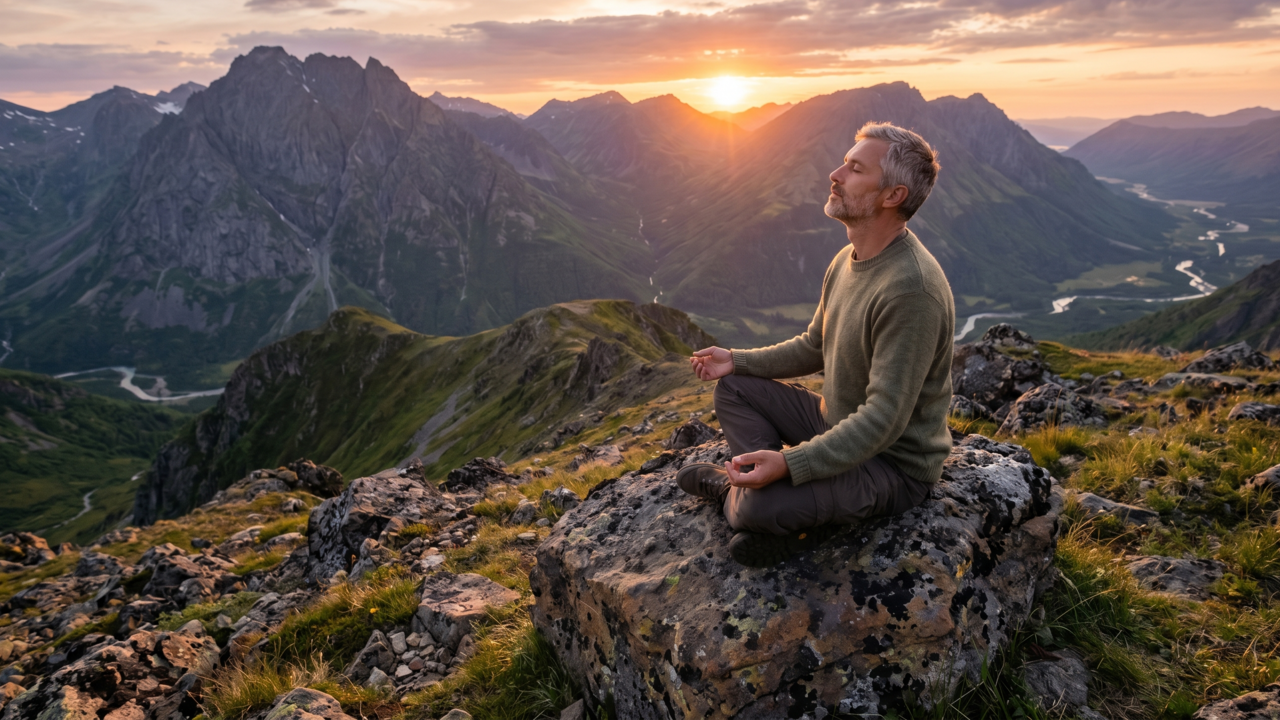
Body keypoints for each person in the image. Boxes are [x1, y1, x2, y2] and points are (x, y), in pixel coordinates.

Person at [680, 122, 955, 567]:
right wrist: (736, 360)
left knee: (759, 508)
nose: (835, 173)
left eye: (854, 168)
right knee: (733, 387)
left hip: (892, 467)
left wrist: (792, 465)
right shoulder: (848, 259)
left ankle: (741, 496)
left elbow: (884, 419)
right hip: (834, 426)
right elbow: (813, 345)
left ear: (892, 196)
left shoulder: (911, 291)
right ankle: (759, 489)